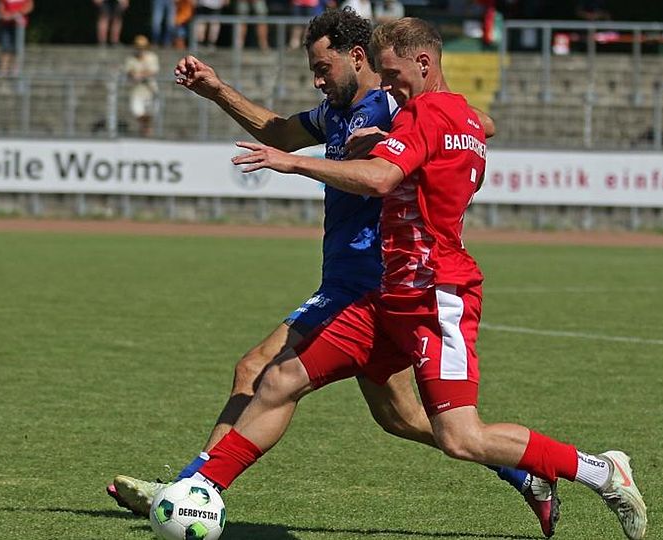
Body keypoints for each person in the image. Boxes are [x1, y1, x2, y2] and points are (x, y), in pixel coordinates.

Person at [108, 8, 563, 538]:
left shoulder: (395, 103)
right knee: (403, 419)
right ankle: (526, 475)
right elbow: (278, 130)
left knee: (258, 369)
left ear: (357, 57)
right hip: (347, 279)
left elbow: (477, 122)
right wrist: (216, 91)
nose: (318, 79)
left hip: (373, 281)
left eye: (324, 68)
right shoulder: (334, 111)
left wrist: (385, 140)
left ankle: (190, 490)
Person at [189, 16, 648, 540]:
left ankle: (600, 471)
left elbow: (384, 177)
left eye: (392, 75)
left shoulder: (424, 114)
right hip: (387, 294)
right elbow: (463, 129)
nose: (387, 88)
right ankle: (196, 490)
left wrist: (294, 164)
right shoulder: (439, 117)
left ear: (422, 64)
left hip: (434, 293)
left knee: (459, 436)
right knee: (282, 378)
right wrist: (386, 138)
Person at [124, 35, 160, 137]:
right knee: (138, 112)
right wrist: (136, 75)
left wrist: (140, 75)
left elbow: (153, 71)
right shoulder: (131, 59)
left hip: (150, 89)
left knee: (150, 113)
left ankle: (146, 130)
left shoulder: (152, 57)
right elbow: (129, 71)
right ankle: (144, 129)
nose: (140, 50)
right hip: (136, 90)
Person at [0, 0, 33, 76]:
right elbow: (0, 6)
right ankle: (2, 71)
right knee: (5, 48)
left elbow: (29, 6)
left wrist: (15, 14)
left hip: (19, 25)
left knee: (17, 48)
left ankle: (15, 71)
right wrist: (5, 14)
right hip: (6, 24)